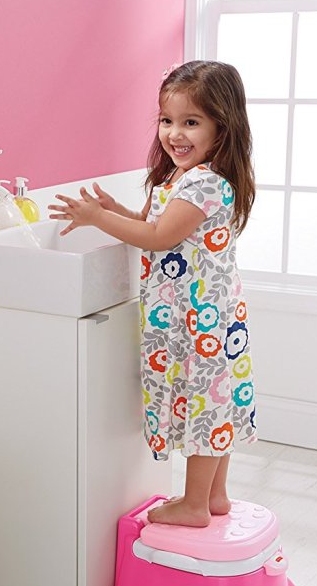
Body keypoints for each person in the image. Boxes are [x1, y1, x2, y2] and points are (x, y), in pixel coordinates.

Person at [48, 60, 257, 527]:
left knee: (206, 407)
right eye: (167, 120)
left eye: (191, 122)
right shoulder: (180, 179)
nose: (174, 133)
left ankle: (195, 504)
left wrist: (99, 219)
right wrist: (116, 210)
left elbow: (161, 238)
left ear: (223, 127)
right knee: (213, 402)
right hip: (203, 316)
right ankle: (215, 496)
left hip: (199, 320)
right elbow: (153, 226)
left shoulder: (203, 182)